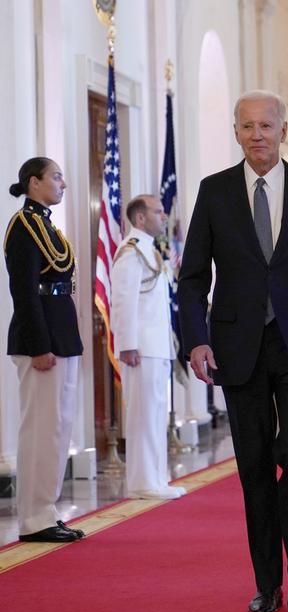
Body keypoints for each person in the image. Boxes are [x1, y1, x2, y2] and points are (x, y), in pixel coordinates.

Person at [178, 90, 288, 612]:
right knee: (254, 465)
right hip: (238, 348)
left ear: (283, 129)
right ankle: (268, 581)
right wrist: (196, 339)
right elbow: (192, 279)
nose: (257, 134)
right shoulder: (214, 192)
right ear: (236, 132)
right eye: (247, 126)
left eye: (266, 125)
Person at [4, 157, 85, 543]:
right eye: (56, 177)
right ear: (34, 183)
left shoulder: (46, 225)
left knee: (58, 427)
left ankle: (47, 511)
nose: (63, 184)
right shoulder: (23, 227)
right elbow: (23, 290)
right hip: (41, 339)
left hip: (61, 331)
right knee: (40, 428)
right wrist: (39, 345)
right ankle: (34, 518)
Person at [111, 195, 185, 501]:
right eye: (158, 211)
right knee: (143, 414)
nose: (164, 215)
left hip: (156, 345)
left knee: (155, 413)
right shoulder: (131, 252)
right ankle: (143, 482)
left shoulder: (149, 249)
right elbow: (123, 300)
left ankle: (156, 478)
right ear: (140, 218)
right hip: (140, 347)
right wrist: (127, 344)